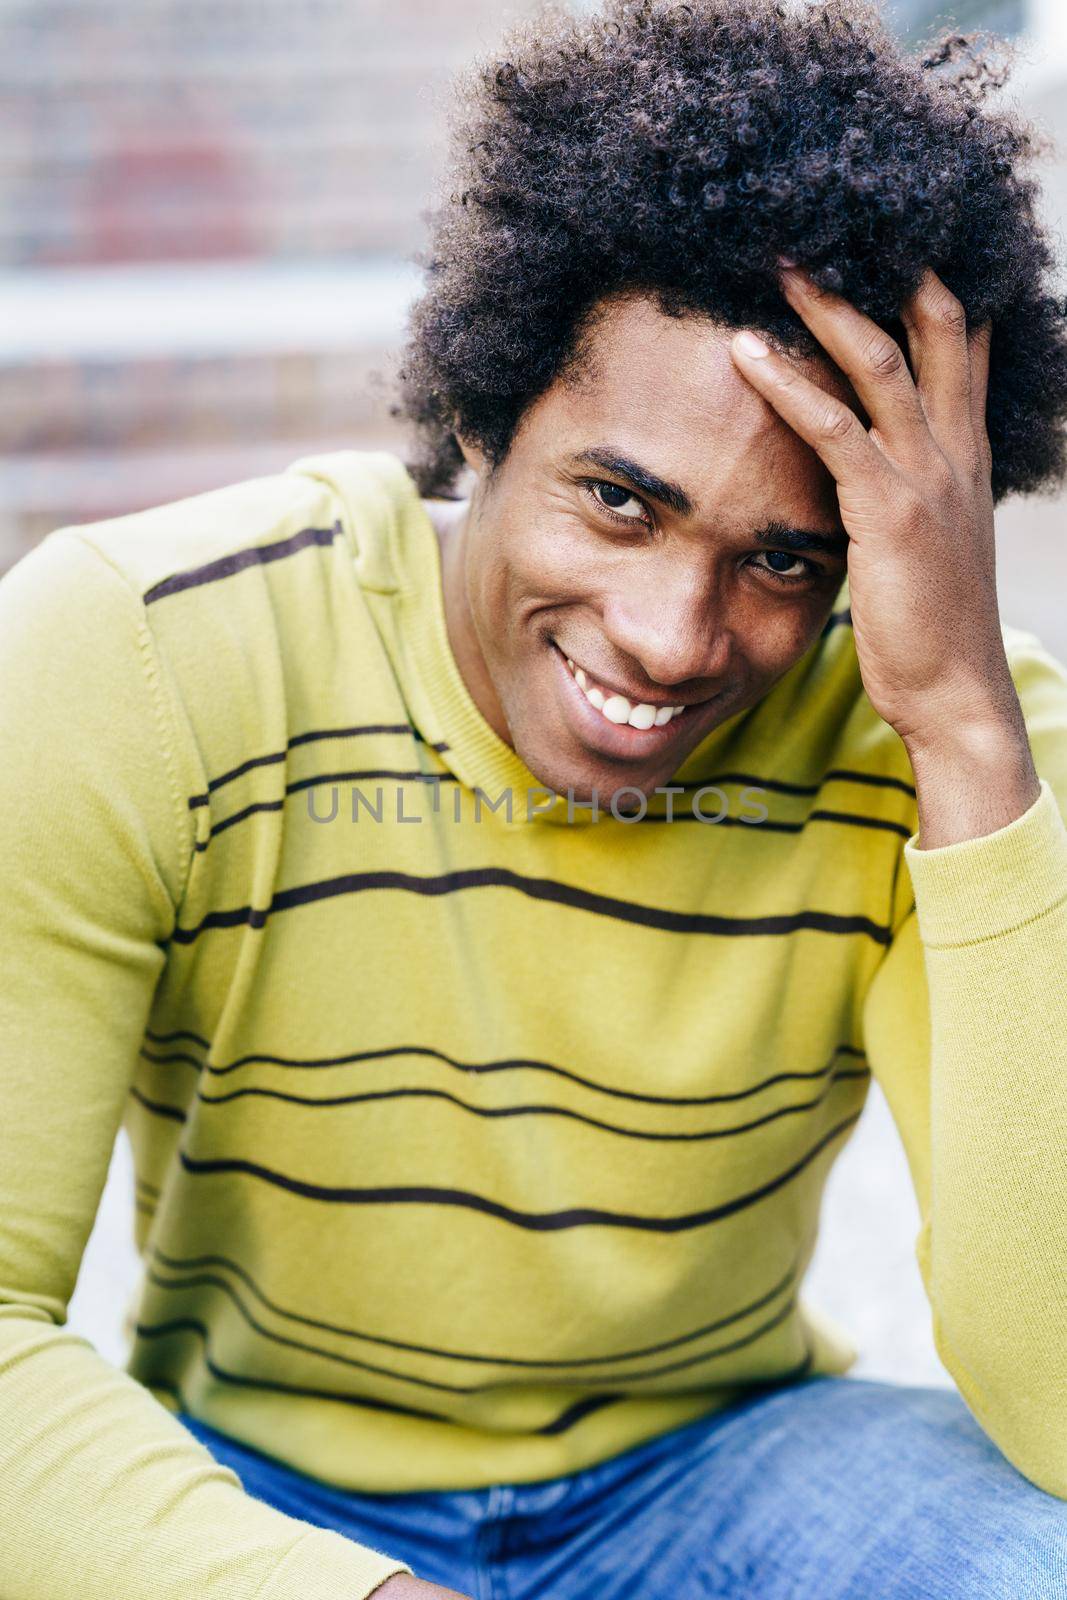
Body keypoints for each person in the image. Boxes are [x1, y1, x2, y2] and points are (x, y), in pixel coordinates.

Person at [3, 0, 1067, 1596]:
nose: (673, 637)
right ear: (484, 411)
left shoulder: (950, 742)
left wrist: (968, 738)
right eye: (619, 500)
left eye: (787, 560)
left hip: (717, 1463)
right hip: (260, 1484)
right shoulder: (148, 647)